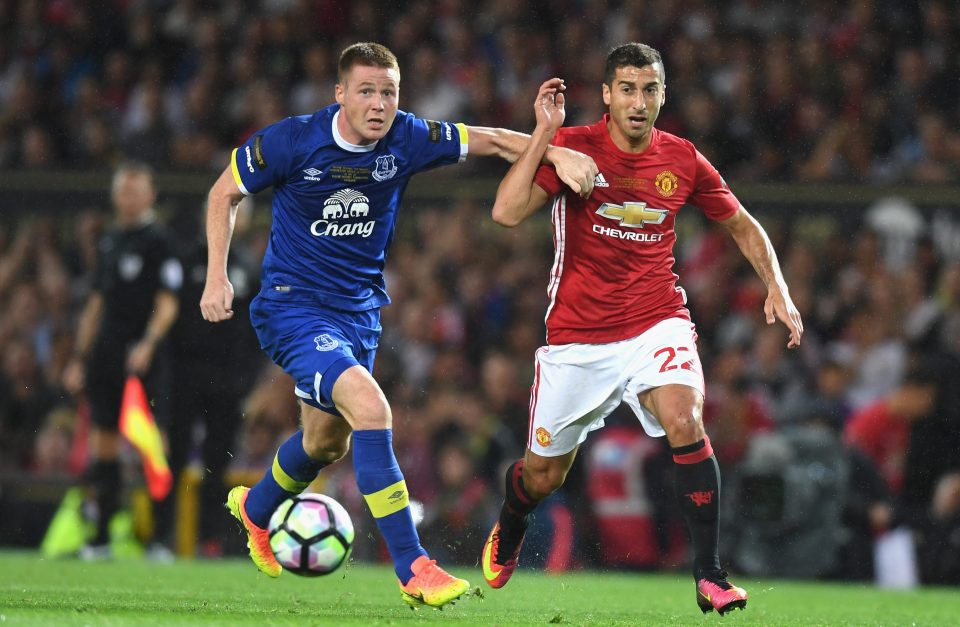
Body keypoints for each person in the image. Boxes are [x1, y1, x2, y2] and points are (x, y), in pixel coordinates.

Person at [199, 42, 596, 609]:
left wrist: (553, 150)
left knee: (325, 440)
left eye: (389, 91)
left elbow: (489, 140)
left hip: (359, 314)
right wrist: (217, 277)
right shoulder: (291, 140)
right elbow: (224, 193)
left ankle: (256, 509)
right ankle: (414, 567)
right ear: (339, 94)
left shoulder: (406, 138)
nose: (379, 103)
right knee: (372, 409)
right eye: (366, 90)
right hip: (293, 308)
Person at [479, 43, 803, 616]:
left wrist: (776, 285)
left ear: (661, 96)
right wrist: (544, 140)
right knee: (543, 475)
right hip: (578, 339)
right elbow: (505, 214)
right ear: (606, 95)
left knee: (685, 416)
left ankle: (710, 574)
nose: (638, 101)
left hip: (657, 322)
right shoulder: (575, 147)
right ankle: (512, 519)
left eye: (649, 89)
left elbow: (745, 226)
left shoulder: (682, 159)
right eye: (626, 89)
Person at [62, 162, 182, 559]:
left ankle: (160, 541)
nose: (128, 198)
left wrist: (148, 343)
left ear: (150, 195)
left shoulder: (161, 240)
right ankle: (101, 539)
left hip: (146, 356)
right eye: (123, 191)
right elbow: (96, 304)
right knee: (105, 444)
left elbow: (167, 303)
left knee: (155, 446)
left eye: (136, 191)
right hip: (107, 355)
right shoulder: (110, 240)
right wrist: (80, 357)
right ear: (115, 196)